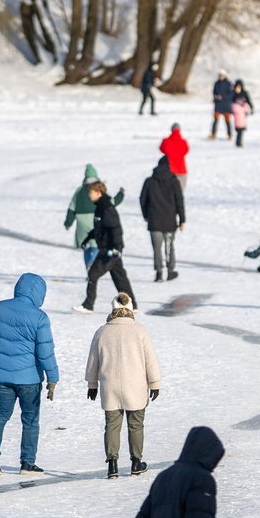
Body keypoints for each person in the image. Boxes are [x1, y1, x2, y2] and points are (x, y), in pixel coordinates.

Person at [0, 273, 59, 476]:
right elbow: (45, 351)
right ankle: (27, 464)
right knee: (30, 420)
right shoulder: (39, 317)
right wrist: (53, 378)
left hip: (1, 376)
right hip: (29, 379)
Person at [85, 293, 161, 479]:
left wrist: (92, 384)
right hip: (135, 386)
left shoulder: (102, 332)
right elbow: (150, 360)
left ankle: (112, 464)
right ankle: (136, 462)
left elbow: (93, 360)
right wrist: (154, 383)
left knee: (112, 425)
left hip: (109, 386)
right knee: (136, 425)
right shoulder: (139, 331)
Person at [79, 181, 135, 312]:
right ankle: (133, 305)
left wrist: (116, 247)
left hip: (109, 250)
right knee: (119, 277)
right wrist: (88, 238)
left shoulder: (106, 208)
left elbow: (115, 229)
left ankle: (88, 305)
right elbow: (100, 228)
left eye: (91, 192)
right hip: (107, 248)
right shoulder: (100, 207)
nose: (89, 195)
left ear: (99, 192)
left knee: (93, 274)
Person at [139, 154, 186, 283]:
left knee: (156, 249)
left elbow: (142, 199)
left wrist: (146, 215)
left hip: (154, 220)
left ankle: (159, 273)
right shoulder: (174, 181)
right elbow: (179, 201)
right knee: (169, 247)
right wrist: (182, 219)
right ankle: (170, 272)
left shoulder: (149, 181)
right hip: (170, 221)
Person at [65, 163, 123, 259]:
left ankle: (89, 264)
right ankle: (94, 264)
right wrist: (121, 194)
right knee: (96, 244)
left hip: (81, 221)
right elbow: (111, 202)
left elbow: (72, 208)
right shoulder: (98, 188)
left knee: (86, 246)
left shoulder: (79, 190)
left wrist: (68, 222)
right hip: (97, 218)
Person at [159, 123, 190, 189]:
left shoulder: (166, 141)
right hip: (181, 170)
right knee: (179, 193)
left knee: (169, 193)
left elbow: (161, 149)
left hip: (169, 170)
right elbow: (186, 150)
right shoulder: (183, 142)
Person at [209, 71, 232, 139]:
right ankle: (213, 134)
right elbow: (214, 92)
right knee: (215, 120)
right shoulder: (216, 83)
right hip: (218, 105)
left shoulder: (229, 83)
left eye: (222, 75)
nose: (220, 76)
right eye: (220, 75)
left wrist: (223, 97)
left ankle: (229, 134)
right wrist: (215, 97)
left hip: (226, 105)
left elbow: (231, 94)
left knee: (227, 120)